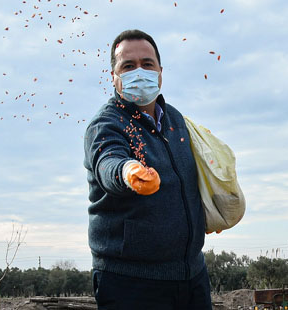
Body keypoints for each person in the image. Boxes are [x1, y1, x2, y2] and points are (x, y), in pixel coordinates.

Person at [82, 29, 211, 309]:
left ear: (160, 71)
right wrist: (127, 171)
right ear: (113, 76)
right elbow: (108, 161)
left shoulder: (176, 120)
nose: (139, 71)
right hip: (131, 283)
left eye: (147, 64)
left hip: (192, 276)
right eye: (128, 66)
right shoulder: (107, 124)